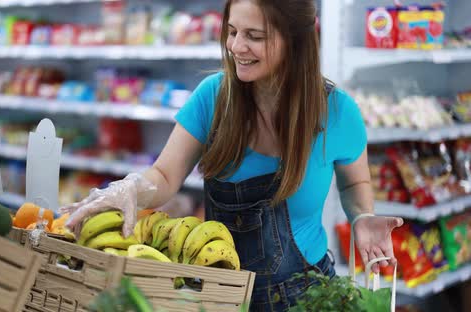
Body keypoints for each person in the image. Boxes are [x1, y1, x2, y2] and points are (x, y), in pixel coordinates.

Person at [61, 0, 403, 310]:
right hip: (218, 294)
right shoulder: (214, 97)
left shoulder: (337, 112)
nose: (237, 47)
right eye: (232, 31)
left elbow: (355, 181)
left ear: (296, 41)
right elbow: (164, 175)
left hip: (309, 295)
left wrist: (362, 216)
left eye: (254, 36)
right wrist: (132, 188)